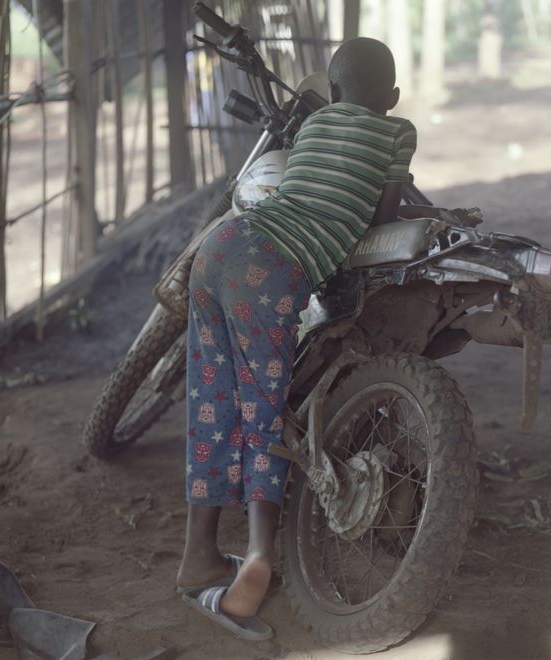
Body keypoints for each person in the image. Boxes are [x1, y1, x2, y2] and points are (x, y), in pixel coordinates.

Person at [175, 37, 417, 639]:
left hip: (223, 246)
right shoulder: (398, 132)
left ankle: (198, 558)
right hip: (273, 270)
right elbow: (385, 219)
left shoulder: (313, 127)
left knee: (213, 403)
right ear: (392, 96)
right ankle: (258, 556)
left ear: (331, 92)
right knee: (264, 411)